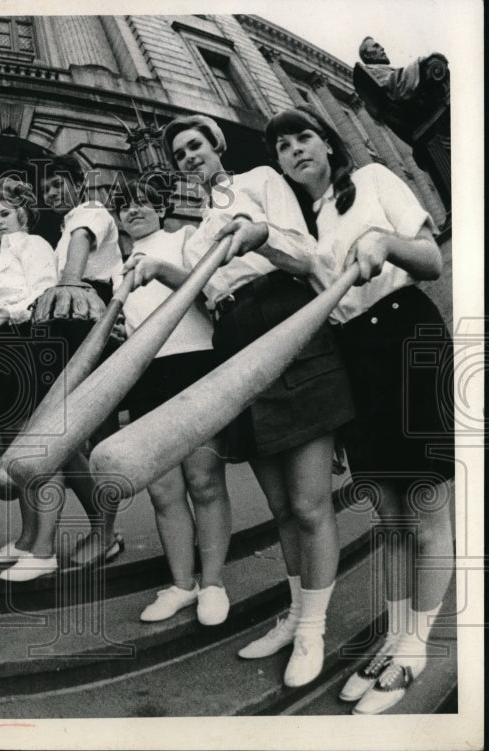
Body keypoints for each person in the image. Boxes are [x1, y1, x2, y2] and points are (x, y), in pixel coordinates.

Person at [264, 105, 454, 714]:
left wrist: (384, 241)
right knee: (389, 516)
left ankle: (415, 648)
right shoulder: (300, 225)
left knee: (424, 508)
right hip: (350, 357)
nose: (295, 150)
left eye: (304, 136)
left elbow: (431, 261)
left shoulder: (373, 180)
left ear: (326, 142)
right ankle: (397, 636)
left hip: (405, 337)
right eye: (283, 146)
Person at [158, 114, 355, 687]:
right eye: (179, 154)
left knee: (311, 501)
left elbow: (305, 255)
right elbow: (206, 296)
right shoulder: (196, 232)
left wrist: (259, 235)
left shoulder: (262, 180)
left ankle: (314, 626)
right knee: (280, 506)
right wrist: (157, 270)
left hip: (285, 315)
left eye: (196, 145)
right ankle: (295, 615)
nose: (190, 157)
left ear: (216, 147)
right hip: (235, 339)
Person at [0, 155, 124, 582]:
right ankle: (50, 536)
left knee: (56, 435)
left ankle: (92, 533)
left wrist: (68, 284)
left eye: (59, 184)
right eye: (47, 188)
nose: (53, 192)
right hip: (64, 327)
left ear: (79, 182)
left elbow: (80, 249)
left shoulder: (88, 214)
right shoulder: (61, 229)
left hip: (80, 324)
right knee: (57, 440)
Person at [116, 178, 233, 626]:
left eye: (143, 201)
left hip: (195, 365)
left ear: (161, 207)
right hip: (149, 374)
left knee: (204, 480)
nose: (134, 210)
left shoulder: (182, 238)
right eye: (125, 207)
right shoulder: (119, 267)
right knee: (163, 488)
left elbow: (208, 292)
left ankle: (214, 583)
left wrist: (161, 268)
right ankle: (182, 584)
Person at [0, 177, 61, 571]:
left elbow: (44, 293)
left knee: (40, 447)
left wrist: (7, 312)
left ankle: (44, 549)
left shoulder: (35, 244)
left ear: (23, 211)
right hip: (2, 345)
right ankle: (27, 539)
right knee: (16, 446)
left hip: (31, 340)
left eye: (5, 213)